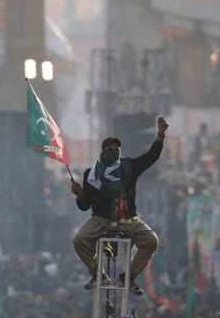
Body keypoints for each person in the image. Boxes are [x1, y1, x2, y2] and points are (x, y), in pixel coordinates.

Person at [70, 116, 169, 296]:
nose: (114, 151)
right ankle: (98, 274)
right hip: (101, 219)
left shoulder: (129, 167)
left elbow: (151, 156)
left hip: (128, 218)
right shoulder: (92, 175)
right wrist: (80, 194)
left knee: (151, 241)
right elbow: (85, 205)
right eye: (110, 149)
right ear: (102, 151)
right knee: (79, 239)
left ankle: (128, 277)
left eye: (117, 148)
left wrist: (160, 136)